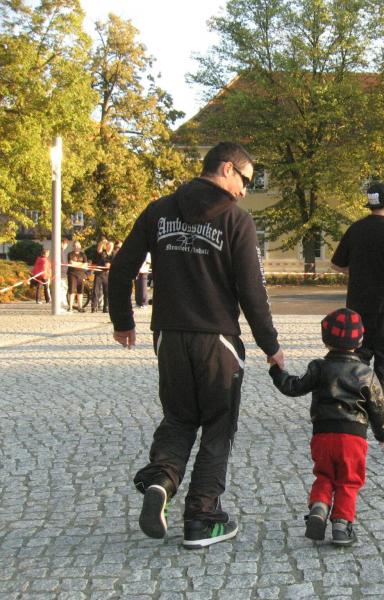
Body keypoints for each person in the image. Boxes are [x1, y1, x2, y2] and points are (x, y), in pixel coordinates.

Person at [109, 141, 284, 549]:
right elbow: (252, 290)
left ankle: (161, 481)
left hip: (169, 335)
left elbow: (121, 268)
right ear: (226, 169)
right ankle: (202, 518)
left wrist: (123, 321)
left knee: (178, 417)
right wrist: (270, 345)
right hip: (217, 339)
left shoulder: (158, 211)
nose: (245, 190)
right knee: (219, 426)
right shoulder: (236, 220)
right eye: (245, 179)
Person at [270, 308, 384, 546]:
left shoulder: (319, 367)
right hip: (353, 438)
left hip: (323, 434)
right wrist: (383, 434)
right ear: (359, 341)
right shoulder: (366, 373)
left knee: (324, 475)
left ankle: (319, 507)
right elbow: (378, 407)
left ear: (325, 340)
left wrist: (277, 371)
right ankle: (342, 526)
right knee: (349, 480)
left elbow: (293, 387)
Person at [330, 182, 384, 395]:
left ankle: (356, 400)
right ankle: (377, 400)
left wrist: (358, 271)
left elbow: (336, 264)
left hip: (357, 305)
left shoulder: (356, 228)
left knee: (359, 356)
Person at [66, 241, 89, 312]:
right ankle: (70, 307)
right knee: (72, 291)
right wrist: (81, 264)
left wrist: (77, 264)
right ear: (73, 247)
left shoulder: (83, 254)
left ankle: (80, 307)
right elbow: (71, 263)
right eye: (75, 246)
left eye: (78, 246)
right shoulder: (70, 254)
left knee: (80, 291)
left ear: (80, 246)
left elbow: (86, 264)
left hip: (81, 274)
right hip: (72, 274)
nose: (76, 247)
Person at [91, 239, 112, 313]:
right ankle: (94, 307)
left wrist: (110, 265)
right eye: (108, 245)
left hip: (108, 274)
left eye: (111, 246)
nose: (110, 247)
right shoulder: (103, 253)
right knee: (96, 291)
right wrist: (102, 242)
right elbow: (99, 249)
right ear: (106, 246)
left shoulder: (113, 254)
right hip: (99, 273)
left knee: (107, 291)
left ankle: (106, 307)